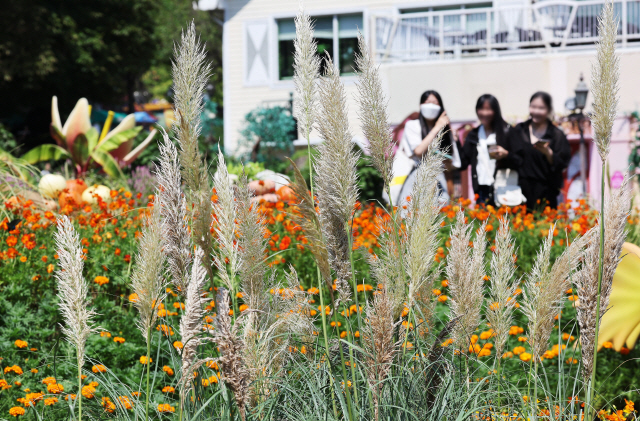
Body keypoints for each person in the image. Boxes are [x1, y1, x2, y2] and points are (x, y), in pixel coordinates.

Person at [457, 94, 523, 205]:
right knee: (483, 220)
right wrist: (456, 142)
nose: (484, 113)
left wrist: (506, 155)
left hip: (504, 188)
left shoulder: (507, 131)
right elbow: (463, 162)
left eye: (488, 109)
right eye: (481, 109)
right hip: (481, 188)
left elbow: (521, 160)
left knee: (504, 222)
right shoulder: (474, 134)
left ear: (495, 110)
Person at [512, 92, 571, 209]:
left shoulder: (556, 135)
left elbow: (562, 163)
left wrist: (548, 153)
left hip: (546, 193)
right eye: (533, 107)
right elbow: (513, 156)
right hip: (521, 193)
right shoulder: (520, 130)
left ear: (548, 110)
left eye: (541, 108)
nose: (536, 111)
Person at [398, 90, 458, 202]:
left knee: (439, 216)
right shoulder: (412, 125)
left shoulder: (446, 131)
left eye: (435, 103)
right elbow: (418, 151)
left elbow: (451, 165)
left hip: (439, 180)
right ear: (421, 106)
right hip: (418, 178)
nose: (431, 106)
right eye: (427, 102)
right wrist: (436, 128)